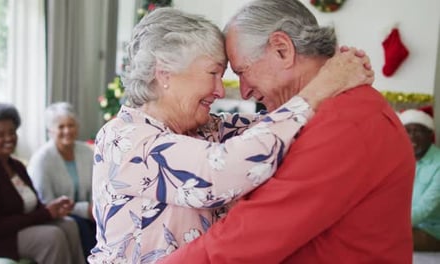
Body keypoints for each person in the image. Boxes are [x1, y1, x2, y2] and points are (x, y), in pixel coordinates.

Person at [89, 7, 374, 264]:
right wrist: (323, 86)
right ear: (165, 73)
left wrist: (334, 83)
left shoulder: (208, 129)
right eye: (213, 73)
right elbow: (217, 173)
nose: (220, 91)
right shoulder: (124, 139)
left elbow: (277, 126)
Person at [159, 1, 415, 263]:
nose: (244, 91)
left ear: (282, 50)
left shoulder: (345, 122)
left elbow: (251, 236)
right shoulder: (322, 112)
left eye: (243, 72)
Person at [0, 103, 85, 264]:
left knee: (69, 225)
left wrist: (53, 209)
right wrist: (45, 214)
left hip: (10, 228)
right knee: (51, 237)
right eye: (0, 134)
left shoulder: (16, 166)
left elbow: (32, 206)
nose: (8, 138)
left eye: (12, 132)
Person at [27, 101, 96, 260]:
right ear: (50, 131)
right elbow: (47, 203)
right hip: (57, 216)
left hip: (90, 213)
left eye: (71, 125)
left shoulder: (87, 152)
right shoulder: (42, 160)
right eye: (61, 127)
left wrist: (96, 209)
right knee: (81, 226)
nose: (67, 131)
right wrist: (85, 209)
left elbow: (97, 188)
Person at [399, 108, 440, 251]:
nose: (412, 137)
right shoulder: (402, 160)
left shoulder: (438, 164)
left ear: (430, 134)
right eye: (407, 131)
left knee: (387, 240)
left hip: (432, 230)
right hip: (408, 225)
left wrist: (391, 225)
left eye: (418, 131)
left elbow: (425, 208)